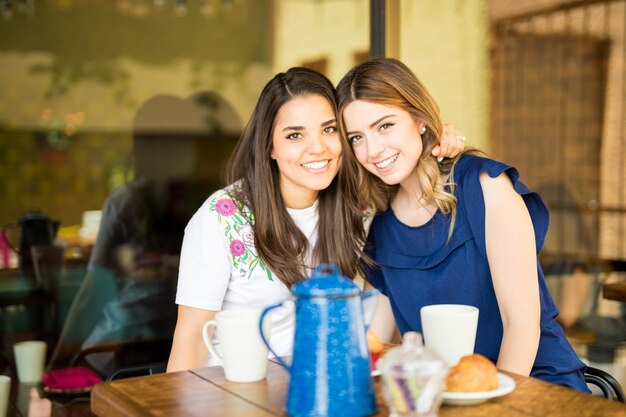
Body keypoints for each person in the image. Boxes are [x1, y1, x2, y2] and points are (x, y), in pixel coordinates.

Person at [166, 67, 465, 372]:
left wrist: (437, 137)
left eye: (329, 129)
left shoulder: (361, 205)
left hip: (326, 391)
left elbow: (402, 158)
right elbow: (190, 342)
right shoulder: (222, 218)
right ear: (269, 146)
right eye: (295, 135)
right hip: (235, 394)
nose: (318, 148)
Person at [336, 58, 590, 393]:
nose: (372, 150)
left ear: (421, 120)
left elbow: (522, 326)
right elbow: (369, 343)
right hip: (447, 398)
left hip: (534, 387)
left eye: (385, 126)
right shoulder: (381, 226)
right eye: (356, 137)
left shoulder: (485, 186)